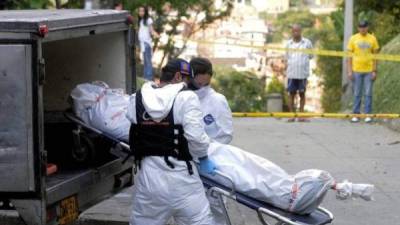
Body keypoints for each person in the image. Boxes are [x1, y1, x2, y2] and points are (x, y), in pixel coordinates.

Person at [126, 58, 217, 225]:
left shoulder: (136, 99)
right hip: (183, 182)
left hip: (149, 183)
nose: (188, 85)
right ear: (177, 76)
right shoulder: (186, 98)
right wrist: (203, 157)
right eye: (187, 80)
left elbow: (132, 132)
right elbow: (196, 138)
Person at [190, 57, 233, 144]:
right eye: (199, 84)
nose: (203, 88)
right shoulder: (182, 98)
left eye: (206, 84)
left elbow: (226, 135)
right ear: (190, 78)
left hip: (211, 153)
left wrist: (206, 151)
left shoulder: (218, 100)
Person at [347, 20, 379, 123]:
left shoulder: (372, 38)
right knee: (357, 93)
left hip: (369, 70)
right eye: (360, 27)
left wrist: (374, 71)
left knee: (368, 93)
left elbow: (375, 56)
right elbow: (349, 57)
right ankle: (356, 114)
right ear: (358, 28)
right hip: (356, 70)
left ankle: (368, 114)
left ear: (367, 27)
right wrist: (349, 71)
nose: (362, 29)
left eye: (364, 27)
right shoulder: (353, 39)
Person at [285, 24, 313, 122]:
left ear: (301, 31)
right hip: (292, 73)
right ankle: (292, 115)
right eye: (294, 31)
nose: (296, 33)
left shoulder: (307, 43)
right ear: (292, 32)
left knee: (302, 94)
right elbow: (286, 57)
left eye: (297, 31)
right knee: (291, 94)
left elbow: (311, 56)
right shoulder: (288, 44)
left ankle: (301, 115)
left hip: (302, 74)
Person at [138, 6, 158, 81]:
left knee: (148, 61)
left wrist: (156, 34)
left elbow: (151, 30)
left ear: (145, 12)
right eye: (140, 11)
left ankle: (148, 78)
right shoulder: (141, 20)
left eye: (142, 11)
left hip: (146, 43)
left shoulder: (148, 20)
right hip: (143, 44)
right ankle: (145, 77)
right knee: (145, 61)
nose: (141, 12)